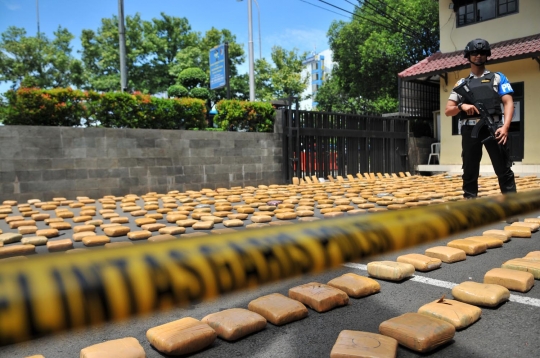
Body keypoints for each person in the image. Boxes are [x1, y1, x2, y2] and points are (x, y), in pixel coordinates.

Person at [444, 38, 516, 199]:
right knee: (469, 170)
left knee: (503, 169)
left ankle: (513, 207)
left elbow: (508, 102)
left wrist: (505, 127)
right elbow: (448, 111)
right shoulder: (461, 83)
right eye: (474, 53)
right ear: (468, 56)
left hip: (495, 128)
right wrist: (462, 107)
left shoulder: (497, 78)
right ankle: (470, 205)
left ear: (487, 55)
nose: (478, 56)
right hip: (470, 130)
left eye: (482, 52)